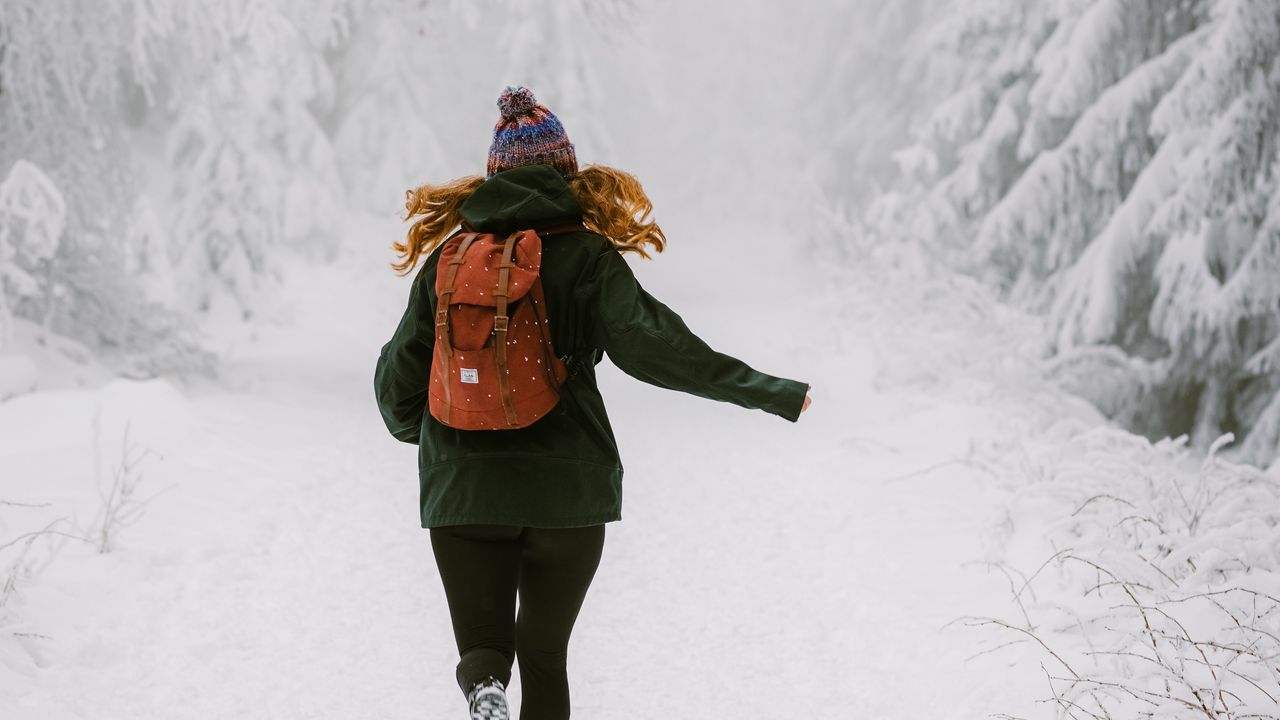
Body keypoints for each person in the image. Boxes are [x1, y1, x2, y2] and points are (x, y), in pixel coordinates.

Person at [373, 86, 811, 720]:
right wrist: (770, 392)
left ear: (493, 176)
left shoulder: (449, 260)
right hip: (567, 493)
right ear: (568, 175)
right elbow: (659, 349)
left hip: (463, 488)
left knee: (486, 645)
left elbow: (398, 385)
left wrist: (444, 442)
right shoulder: (587, 258)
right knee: (545, 656)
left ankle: (486, 688)